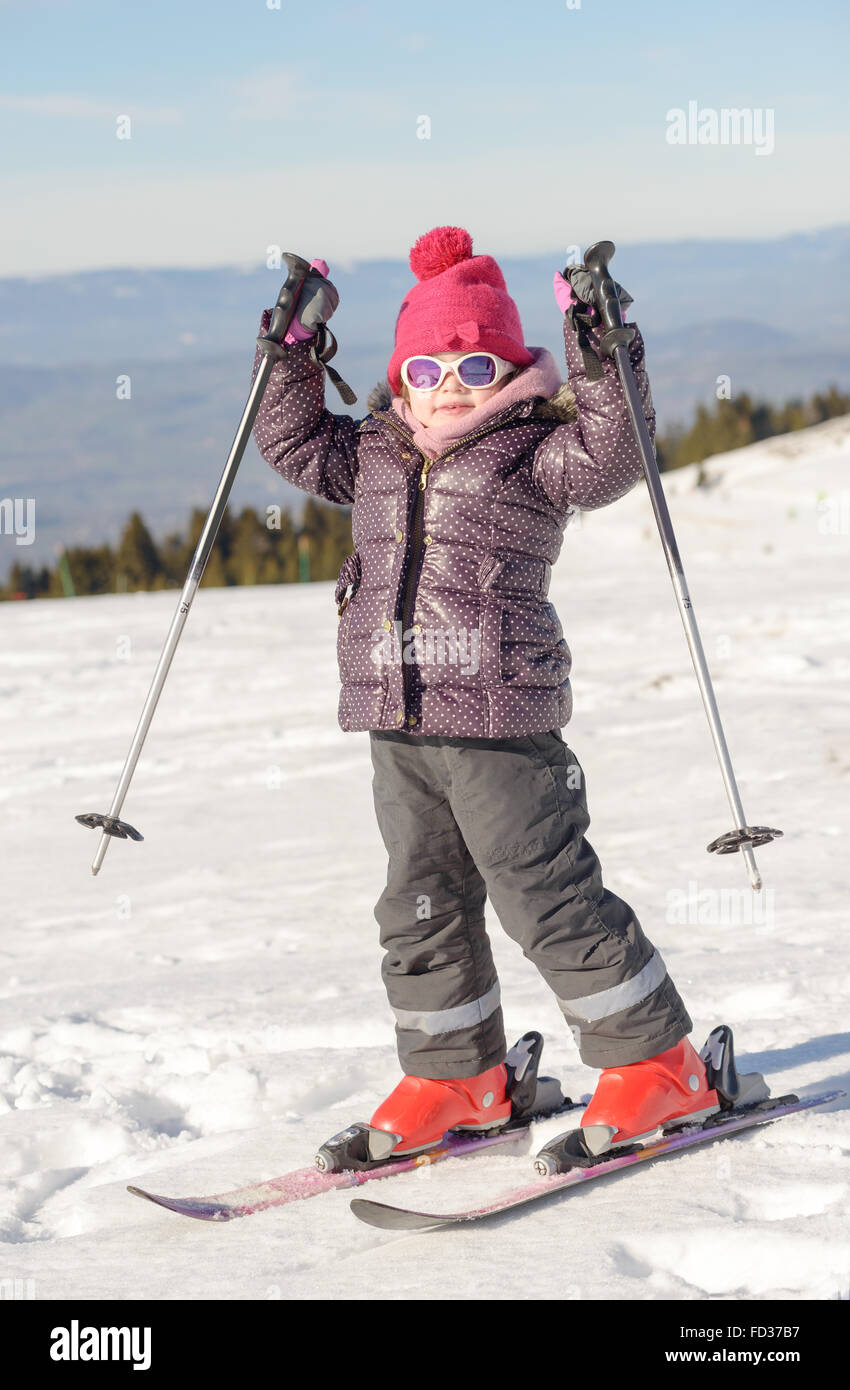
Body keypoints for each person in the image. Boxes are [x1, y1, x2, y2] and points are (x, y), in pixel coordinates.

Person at [251, 225, 720, 1162]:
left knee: (545, 894)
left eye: (472, 362)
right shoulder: (377, 451)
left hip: (501, 720)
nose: (449, 385)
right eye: (426, 368)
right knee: (417, 900)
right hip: (398, 721)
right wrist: (292, 354)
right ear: (400, 377)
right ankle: (456, 1073)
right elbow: (292, 443)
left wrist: (601, 344)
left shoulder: (536, 453)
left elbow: (616, 451)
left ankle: (657, 1062)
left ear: (508, 365)